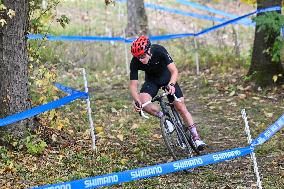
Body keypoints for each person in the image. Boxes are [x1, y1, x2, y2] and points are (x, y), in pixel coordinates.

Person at [129, 35, 206, 150]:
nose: (140, 59)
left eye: (142, 56)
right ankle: (165, 119)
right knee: (142, 101)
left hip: (167, 78)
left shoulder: (159, 50)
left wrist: (171, 84)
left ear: (149, 50)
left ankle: (196, 137)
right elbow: (133, 85)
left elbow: (174, 71)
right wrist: (137, 101)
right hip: (152, 81)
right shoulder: (135, 61)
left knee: (180, 106)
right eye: (137, 57)